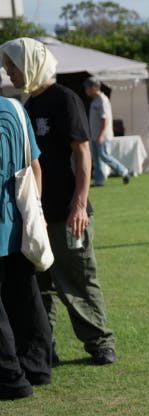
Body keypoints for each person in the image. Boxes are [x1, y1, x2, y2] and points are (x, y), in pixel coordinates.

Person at [4, 38, 117, 367]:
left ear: (32, 63)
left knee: (78, 278)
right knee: (41, 286)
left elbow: (83, 154)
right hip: (36, 213)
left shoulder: (64, 99)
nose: (9, 71)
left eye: (13, 64)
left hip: (69, 213)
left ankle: (100, 343)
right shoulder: (26, 105)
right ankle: (43, 347)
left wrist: (79, 205)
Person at [0, 48, 53, 400]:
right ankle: (37, 367)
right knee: (24, 296)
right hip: (20, 220)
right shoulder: (16, 109)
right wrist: (37, 211)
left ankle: (11, 378)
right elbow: (35, 166)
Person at [83, 78, 131, 186]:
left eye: (88, 87)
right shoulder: (95, 100)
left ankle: (124, 171)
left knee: (105, 156)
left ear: (94, 87)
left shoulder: (102, 100)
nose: (86, 90)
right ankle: (99, 180)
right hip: (95, 135)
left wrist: (101, 135)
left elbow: (106, 119)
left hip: (102, 136)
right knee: (96, 159)